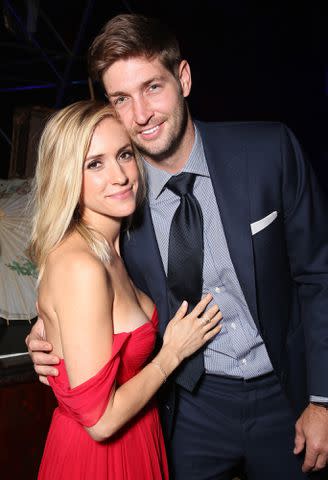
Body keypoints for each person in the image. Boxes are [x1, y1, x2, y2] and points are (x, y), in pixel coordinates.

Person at [26, 14, 328, 480]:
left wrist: (322, 400)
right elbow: (80, 274)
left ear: (182, 79)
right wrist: (47, 332)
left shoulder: (268, 151)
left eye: (152, 88)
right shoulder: (116, 197)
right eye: (121, 99)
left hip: (283, 395)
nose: (141, 115)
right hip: (185, 406)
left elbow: (319, 275)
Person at [29, 100, 222, 480]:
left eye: (124, 154)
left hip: (140, 438)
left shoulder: (118, 247)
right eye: (94, 164)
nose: (119, 175)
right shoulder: (83, 266)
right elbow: (100, 422)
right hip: (98, 460)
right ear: (67, 175)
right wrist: (172, 354)